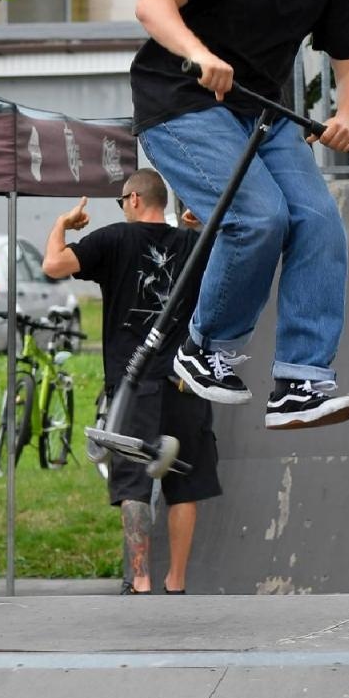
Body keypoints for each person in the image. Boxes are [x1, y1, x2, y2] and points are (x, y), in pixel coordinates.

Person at [130, 0, 349, 430]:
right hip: (180, 104)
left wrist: (347, 117)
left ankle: (301, 380)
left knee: (319, 223)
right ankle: (205, 347)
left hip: (260, 116)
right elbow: (152, 2)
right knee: (257, 218)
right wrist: (199, 54)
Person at [42, 169, 222, 595]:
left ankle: (139, 578)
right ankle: (176, 581)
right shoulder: (197, 245)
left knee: (133, 482)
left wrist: (60, 225)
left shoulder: (114, 240)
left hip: (132, 383)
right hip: (184, 380)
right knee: (186, 484)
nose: (122, 208)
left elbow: (53, 264)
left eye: (122, 201)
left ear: (135, 199)